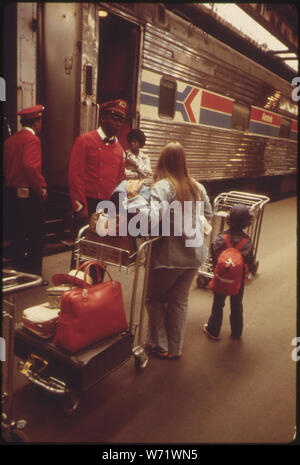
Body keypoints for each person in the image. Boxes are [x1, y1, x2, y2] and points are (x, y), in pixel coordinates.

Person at [126, 141, 212, 360]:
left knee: (153, 299)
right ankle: (175, 348)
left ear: (162, 161)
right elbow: (208, 215)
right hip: (194, 256)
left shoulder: (163, 187)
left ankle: (160, 345)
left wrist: (133, 198)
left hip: (169, 257)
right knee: (179, 301)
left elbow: (149, 221)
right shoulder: (197, 186)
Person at [68, 98, 128, 268]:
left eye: (121, 120)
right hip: (88, 204)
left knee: (104, 253)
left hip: (108, 207)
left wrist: (120, 212)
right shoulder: (85, 140)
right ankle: (78, 288)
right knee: (83, 252)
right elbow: (75, 175)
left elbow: (120, 182)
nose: (118, 123)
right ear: (102, 118)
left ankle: (97, 289)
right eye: (115, 118)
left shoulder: (119, 149)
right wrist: (80, 206)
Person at [3, 105, 48, 281]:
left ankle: (18, 269)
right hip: (28, 193)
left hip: (12, 192)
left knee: (18, 233)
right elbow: (30, 166)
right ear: (36, 121)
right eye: (40, 120)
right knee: (36, 233)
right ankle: (34, 274)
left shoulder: (10, 141)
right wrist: (41, 188)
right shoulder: (32, 140)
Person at [202, 204, 255, 340]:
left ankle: (213, 330)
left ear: (229, 220)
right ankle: (237, 332)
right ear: (246, 223)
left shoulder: (220, 238)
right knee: (237, 304)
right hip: (238, 279)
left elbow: (214, 255)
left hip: (221, 277)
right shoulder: (247, 241)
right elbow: (249, 261)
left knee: (218, 303)